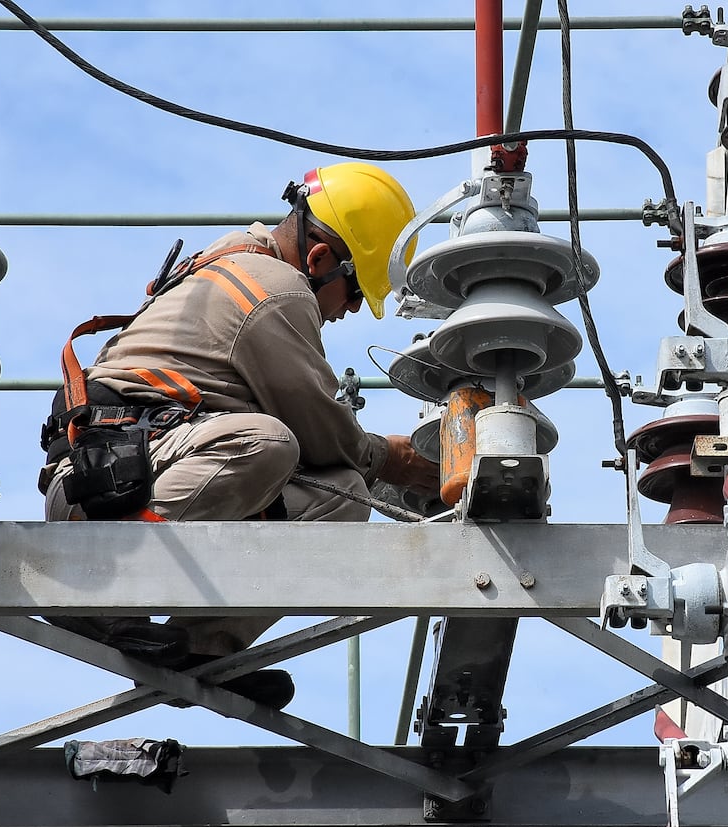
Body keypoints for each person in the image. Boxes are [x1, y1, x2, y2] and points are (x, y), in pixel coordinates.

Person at [38, 163, 438, 709]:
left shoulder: (235, 266)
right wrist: (392, 458)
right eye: (352, 294)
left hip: (141, 470)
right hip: (101, 485)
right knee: (267, 443)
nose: (347, 312)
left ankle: (201, 650)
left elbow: (333, 462)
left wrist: (367, 468)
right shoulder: (273, 289)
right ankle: (107, 586)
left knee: (343, 496)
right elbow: (318, 428)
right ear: (320, 259)